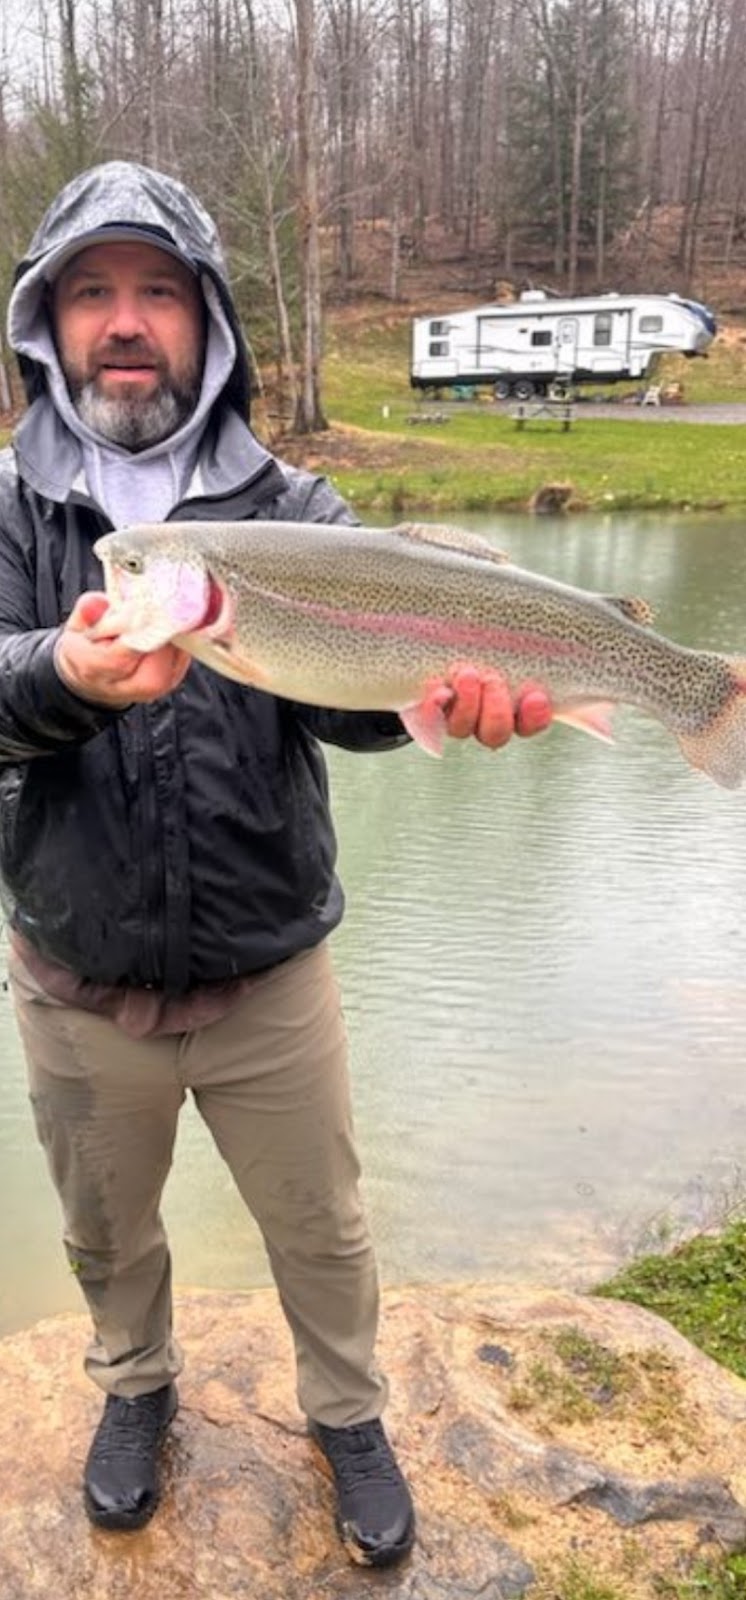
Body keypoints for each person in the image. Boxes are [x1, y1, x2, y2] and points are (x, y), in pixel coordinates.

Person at [0, 161, 552, 1567]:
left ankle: (349, 1414)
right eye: (92, 293)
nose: (125, 323)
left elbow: (343, 706)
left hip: (271, 973)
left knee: (325, 1230)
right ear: (48, 323)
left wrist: (431, 698)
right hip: (75, 973)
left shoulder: (294, 504)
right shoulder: (8, 507)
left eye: (158, 293)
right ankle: (135, 1390)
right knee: (105, 1236)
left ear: (210, 324)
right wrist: (62, 669)